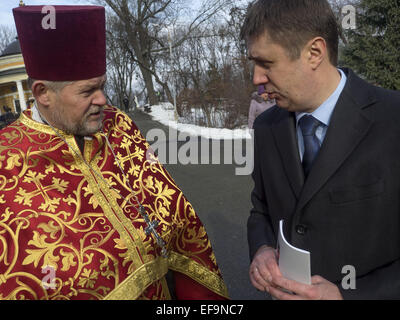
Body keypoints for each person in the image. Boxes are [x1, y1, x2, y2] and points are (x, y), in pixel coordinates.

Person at [0, 5, 228, 300]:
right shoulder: (7, 160)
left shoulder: (118, 123)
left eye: (102, 86)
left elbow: (173, 210)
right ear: (43, 93)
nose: (102, 100)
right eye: (87, 91)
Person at [241, 0, 400, 300]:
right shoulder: (266, 127)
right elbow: (260, 208)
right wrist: (262, 248)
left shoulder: (393, 120)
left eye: (267, 63)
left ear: (314, 53)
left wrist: (347, 296)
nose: (257, 78)